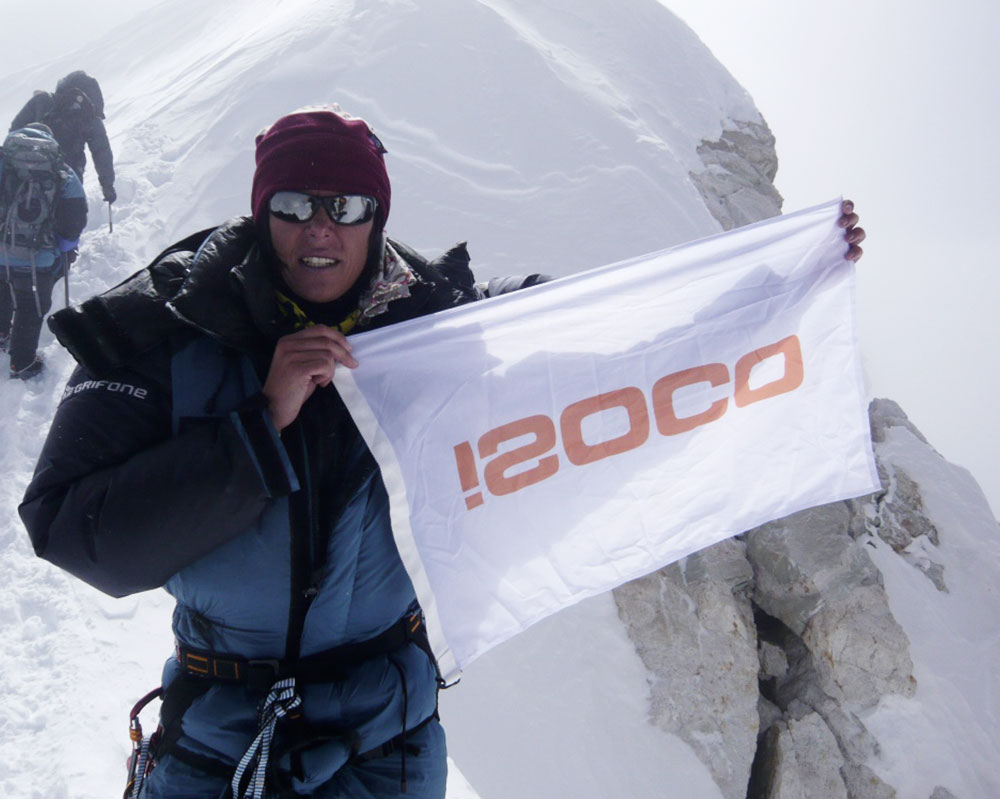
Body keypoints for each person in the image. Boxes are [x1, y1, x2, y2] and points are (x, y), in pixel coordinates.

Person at [18, 104, 865, 798]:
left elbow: (613, 350)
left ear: (378, 215)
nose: (321, 227)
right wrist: (256, 427)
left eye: (346, 206)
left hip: (384, 748)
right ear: (259, 209)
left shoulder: (443, 329)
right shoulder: (167, 331)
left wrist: (773, 285)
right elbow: (70, 529)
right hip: (217, 745)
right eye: (294, 204)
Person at [0, 123, 87, 379]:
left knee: (2, 288)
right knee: (31, 306)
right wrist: (66, 248)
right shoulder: (62, 171)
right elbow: (75, 218)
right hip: (39, 257)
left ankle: (1, 332)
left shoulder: (5, 164)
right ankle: (22, 363)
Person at [10, 70, 116, 204]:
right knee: (69, 218)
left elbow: (14, 132)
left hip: (26, 174)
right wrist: (107, 185)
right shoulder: (89, 115)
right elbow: (101, 151)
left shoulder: (42, 101)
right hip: (68, 178)